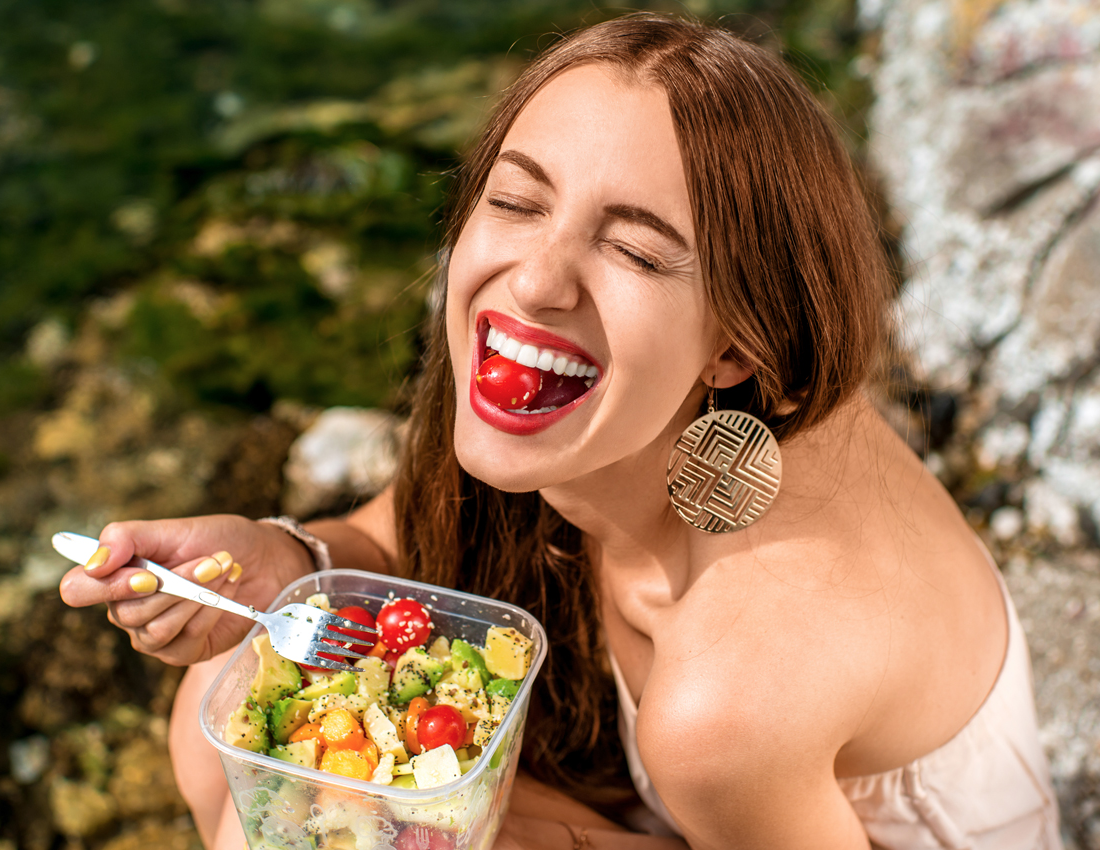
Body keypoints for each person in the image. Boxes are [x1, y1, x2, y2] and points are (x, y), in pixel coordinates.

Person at [59, 13, 1061, 850]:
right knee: (229, 716)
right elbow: (398, 538)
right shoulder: (660, 422)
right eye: (516, 201)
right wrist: (289, 562)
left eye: (633, 250)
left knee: (281, 811)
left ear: (736, 350)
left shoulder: (738, 683)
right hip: (696, 802)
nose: (536, 279)